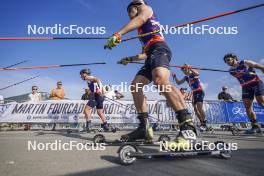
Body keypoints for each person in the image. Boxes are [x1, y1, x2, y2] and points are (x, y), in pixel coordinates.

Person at [104, 0, 197, 149]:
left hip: (160, 48)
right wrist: (129, 59)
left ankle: (188, 128)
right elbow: (144, 54)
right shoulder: (142, 32)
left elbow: (140, 19)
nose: (130, 18)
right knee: (136, 86)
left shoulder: (145, 8)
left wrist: (118, 34)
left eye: (130, 14)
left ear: (135, 7)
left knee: (160, 81)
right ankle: (144, 128)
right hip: (151, 53)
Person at [223, 53, 264, 134]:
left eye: (228, 60)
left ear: (234, 58)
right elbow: (241, 76)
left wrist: (256, 69)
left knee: (261, 102)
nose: (227, 62)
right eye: (226, 61)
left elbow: (259, 66)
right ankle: (255, 126)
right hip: (245, 87)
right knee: (247, 107)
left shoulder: (245, 62)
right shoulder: (231, 70)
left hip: (256, 83)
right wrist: (242, 71)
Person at [173, 64, 209, 132]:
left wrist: (190, 67)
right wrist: (175, 77)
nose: (183, 72)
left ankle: (204, 122)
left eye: (184, 70)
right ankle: (202, 123)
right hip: (194, 93)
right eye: (182, 71)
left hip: (199, 91)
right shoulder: (186, 77)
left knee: (199, 107)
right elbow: (178, 83)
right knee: (195, 110)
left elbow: (197, 73)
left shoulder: (193, 74)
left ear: (187, 69)